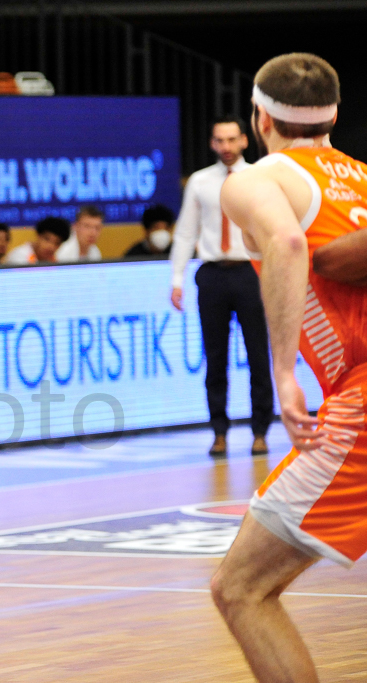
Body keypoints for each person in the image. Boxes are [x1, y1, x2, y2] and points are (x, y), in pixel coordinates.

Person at [212, 52, 367, 683]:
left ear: (257, 119)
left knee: (241, 587)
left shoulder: (255, 180)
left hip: (359, 396)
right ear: (334, 117)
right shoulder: (361, 175)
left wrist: (281, 374)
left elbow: (287, 241)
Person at [168, 116, 273, 457]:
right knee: (215, 357)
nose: (226, 147)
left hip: (250, 272)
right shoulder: (199, 182)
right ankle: (219, 431)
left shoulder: (261, 178)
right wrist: (177, 278)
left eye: (232, 139)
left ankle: (260, 429)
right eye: (219, 140)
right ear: (212, 143)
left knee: (258, 354)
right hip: (212, 273)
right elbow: (186, 231)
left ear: (244, 140)